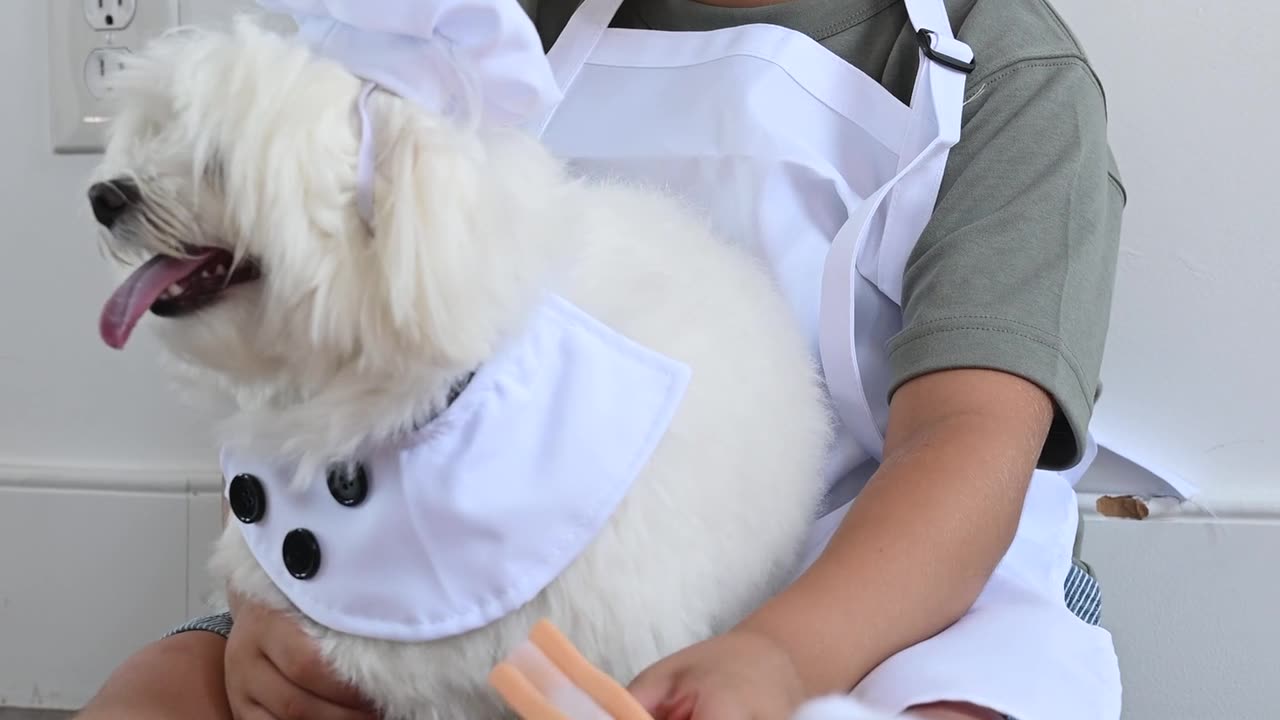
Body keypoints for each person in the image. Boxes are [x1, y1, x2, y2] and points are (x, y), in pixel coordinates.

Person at [74, 0, 1124, 718]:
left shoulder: (997, 75)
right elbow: (305, 332)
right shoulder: (471, 31)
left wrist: (782, 655)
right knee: (157, 694)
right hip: (441, 533)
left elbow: (964, 438)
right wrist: (270, 596)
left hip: (863, 573)